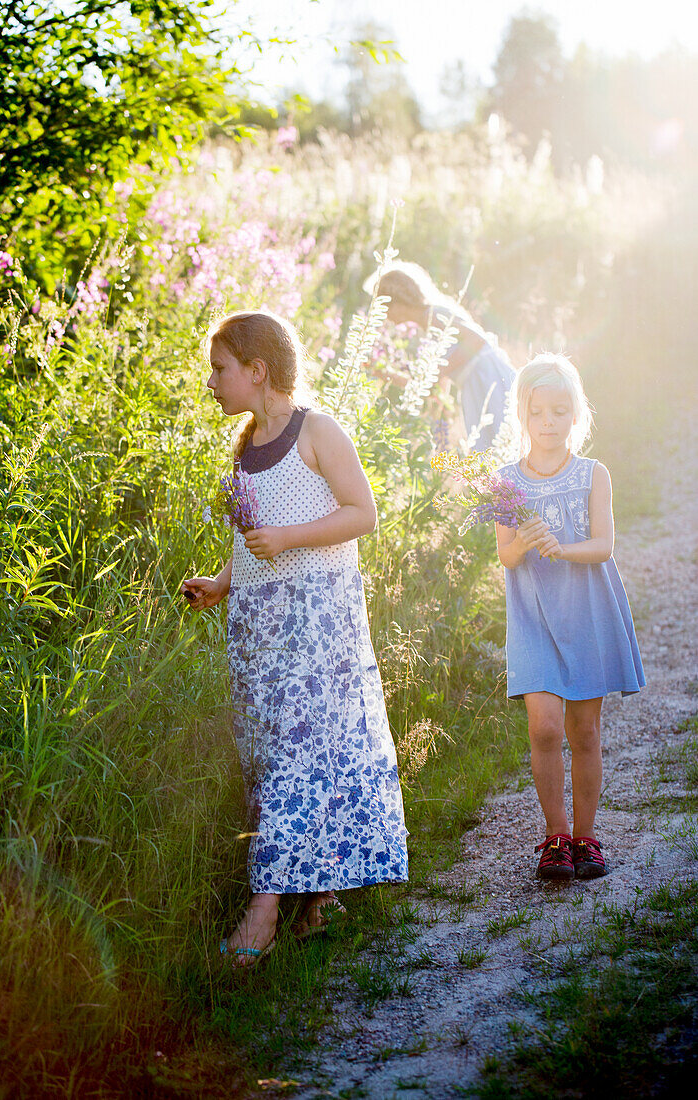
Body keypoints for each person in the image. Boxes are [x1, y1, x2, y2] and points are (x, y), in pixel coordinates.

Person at [182, 311, 408, 966]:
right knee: (274, 758)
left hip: (317, 623)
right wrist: (224, 581)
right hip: (258, 630)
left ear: (257, 371)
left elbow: (361, 513)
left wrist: (286, 540)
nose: (211, 382)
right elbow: (251, 538)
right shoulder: (245, 445)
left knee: (299, 755)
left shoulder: (317, 431)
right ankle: (317, 895)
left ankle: (263, 908)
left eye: (220, 369)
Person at [494, 354, 645, 882]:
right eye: (539, 412)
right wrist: (526, 544)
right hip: (534, 615)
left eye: (561, 411)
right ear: (523, 415)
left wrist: (561, 546)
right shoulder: (505, 482)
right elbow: (506, 556)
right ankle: (555, 837)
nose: (550, 422)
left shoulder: (592, 474)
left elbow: (604, 545)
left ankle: (587, 837)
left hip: (584, 611)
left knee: (583, 730)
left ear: (576, 414)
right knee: (545, 726)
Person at [365, 261, 515, 451]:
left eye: (385, 308)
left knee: (504, 442)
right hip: (473, 385)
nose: (386, 316)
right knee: (489, 451)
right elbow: (428, 386)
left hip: (488, 378)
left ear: (398, 303)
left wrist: (439, 371)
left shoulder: (435, 314)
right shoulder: (424, 329)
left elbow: (476, 340)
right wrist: (381, 372)